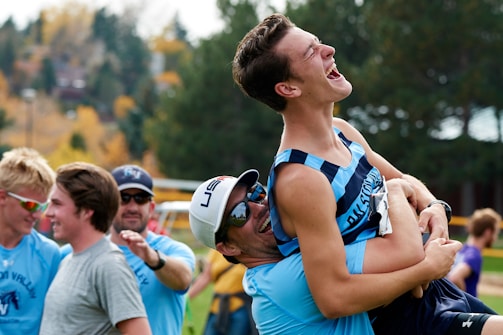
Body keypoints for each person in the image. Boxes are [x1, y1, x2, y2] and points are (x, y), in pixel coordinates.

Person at [231, 14, 501, 334]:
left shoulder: (342, 131)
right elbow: (334, 297)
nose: (329, 50)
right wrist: (422, 268)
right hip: (399, 319)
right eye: (310, 52)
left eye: (319, 43)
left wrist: (434, 207)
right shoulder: (300, 179)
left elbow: (404, 180)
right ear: (288, 87)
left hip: (431, 292)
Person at [190, 170, 503, 334]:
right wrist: (394, 191)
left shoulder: (299, 245)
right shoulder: (282, 279)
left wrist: (433, 204)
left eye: (258, 194)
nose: (259, 207)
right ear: (227, 247)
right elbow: (405, 252)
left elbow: (385, 168)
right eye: (240, 214)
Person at [39, 162, 152, 335]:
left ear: (86, 210)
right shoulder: (68, 259)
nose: (48, 213)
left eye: (57, 203)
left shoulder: (108, 265)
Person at [109, 164, 196, 335]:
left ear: (151, 208)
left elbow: (183, 280)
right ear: (108, 204)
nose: (132, 207)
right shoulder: (83, 253)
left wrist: (153, 258)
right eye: (124, 198)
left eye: (141, 198)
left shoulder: (173, 250)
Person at [0, 147, 60, 334]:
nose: (37, 215)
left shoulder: (49, 253)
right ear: (2, 197)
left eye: (42, 206)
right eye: (30, 204)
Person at [188, 248, 257, 335]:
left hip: (241, 308)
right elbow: (206, 276)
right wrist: (185, 298)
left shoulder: (247, 246)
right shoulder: (217, 249)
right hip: (217, 308)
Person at [448, 208, 502, 297]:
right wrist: (467, 301)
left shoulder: (461, 249)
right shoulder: (474, 255)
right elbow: (455, 277)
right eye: (495, 233)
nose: (495, 238)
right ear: (488, 232)